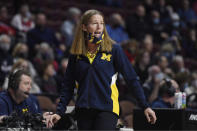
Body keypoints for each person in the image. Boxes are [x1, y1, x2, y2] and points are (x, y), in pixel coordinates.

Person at [46, 9, 157, 130]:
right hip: (84, 110)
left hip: (107, 108)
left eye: (102, 23)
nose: (99, 27)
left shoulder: (114, 49)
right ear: (84, 27)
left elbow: (131, 79)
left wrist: (145, 106)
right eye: (94, 23)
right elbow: (68, 85)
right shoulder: (76, 54)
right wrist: (59, 111)